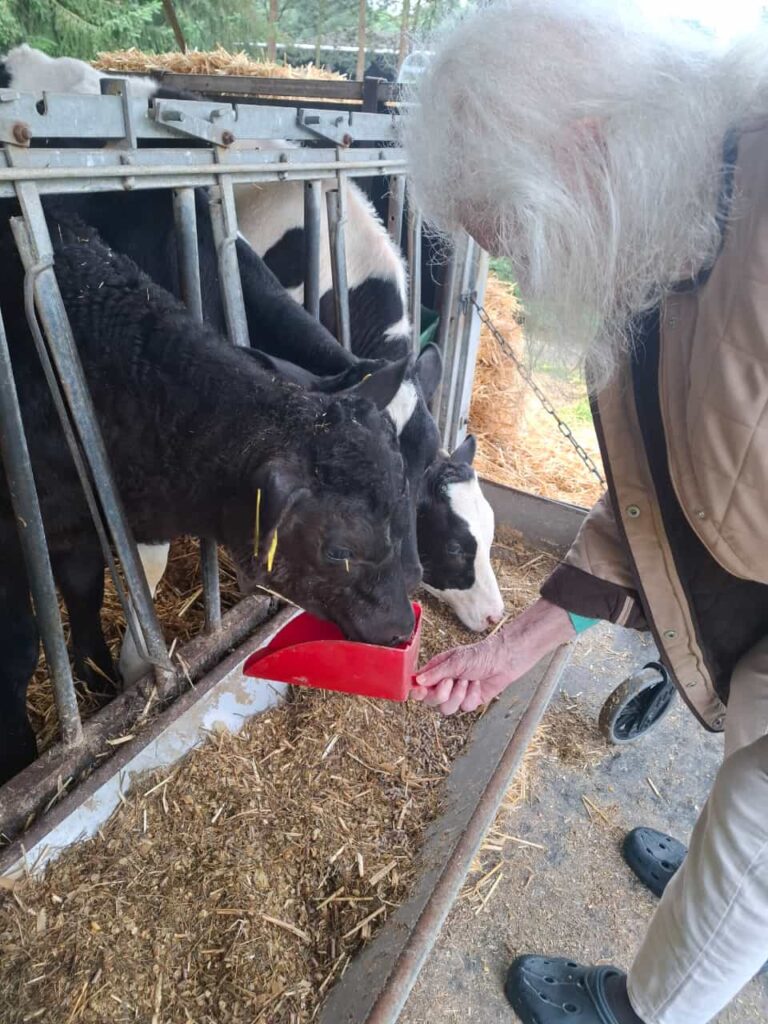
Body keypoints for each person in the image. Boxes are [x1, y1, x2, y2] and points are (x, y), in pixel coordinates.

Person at [401, 3, 768, 1023]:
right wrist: (517, 643)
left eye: (512, 239)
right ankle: (730, 908)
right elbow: (667, 489)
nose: (519, 274)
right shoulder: (670, 214)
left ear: (585, 151)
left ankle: (644, 1009)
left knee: (758, 812)